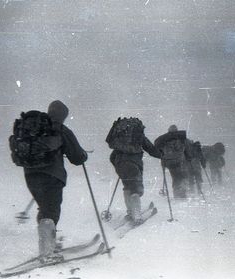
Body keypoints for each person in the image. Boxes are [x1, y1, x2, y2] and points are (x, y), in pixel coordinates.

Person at [15, 100, 88, 263]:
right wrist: (83, 156)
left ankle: (47, 247)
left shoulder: (34, 127)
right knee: (51, 211)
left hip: (30, 175)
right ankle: (48, 253)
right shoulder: (60, 129)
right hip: (52, 176)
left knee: (45, 208)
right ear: (63, 115)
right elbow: (77, 157)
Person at [106, 117, 160, 225]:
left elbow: (112, 157)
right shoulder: (138, 135)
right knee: (135, 188)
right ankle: (136, 215)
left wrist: (118, 165)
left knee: (127, 187)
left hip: (120, 164)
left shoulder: (119, 140)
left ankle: (130, 212)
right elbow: (150, 148)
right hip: (134, 164)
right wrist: (161, 155)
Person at [154, 125, 191, 199]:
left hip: (169, 163)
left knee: (175, 177)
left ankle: (177, 194)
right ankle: (182, 193)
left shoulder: (164, 139)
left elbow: (158, 148)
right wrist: (189, 158)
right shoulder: (182, 139)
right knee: (183, 177)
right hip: (179, 161)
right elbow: (187, 149)